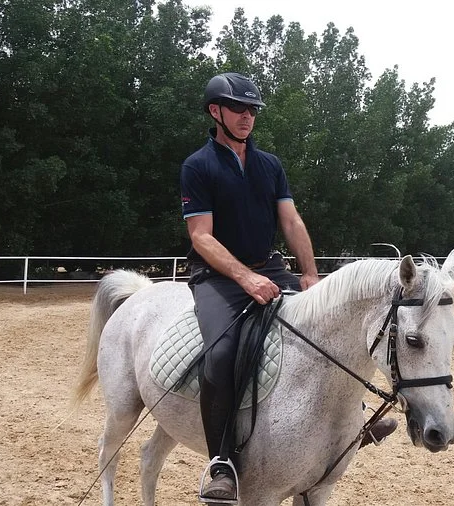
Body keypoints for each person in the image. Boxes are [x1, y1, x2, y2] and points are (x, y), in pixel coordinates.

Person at [181, 72, 396, 503]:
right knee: (221, 354)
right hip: (219, 278)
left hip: (272, 269)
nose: (247, 117)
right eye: (238, 109)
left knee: (332, 328)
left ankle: (353, 419)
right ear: (215, 111)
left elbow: (291, 220)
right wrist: (244, 276)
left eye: (253, 110)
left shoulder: (270, 165)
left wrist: (310, 274)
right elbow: (201, 236)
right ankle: (221, 461)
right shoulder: (198, 166)